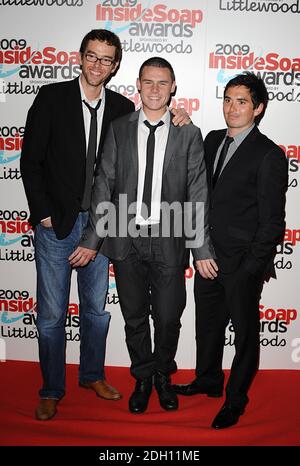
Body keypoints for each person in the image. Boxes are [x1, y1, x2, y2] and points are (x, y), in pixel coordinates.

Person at [20, 29, 190, 422]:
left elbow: (156, 131)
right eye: (92, 57)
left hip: (104, 224)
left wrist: (181, 116)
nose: (98, 65)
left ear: (115, 66)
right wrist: (42, 211)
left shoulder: (120, 107)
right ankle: (51, 389)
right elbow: (30, 161)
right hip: (56, 225)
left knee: (96, 310)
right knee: (50, 314)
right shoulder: (51, 97)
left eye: (107, 59)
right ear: (80, 58)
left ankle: (92, 375)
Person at [69, 57, 215, 414]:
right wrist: (92, 239)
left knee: (168, 316)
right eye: (148, 81)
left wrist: (201, 249)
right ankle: (143, 378)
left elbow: (197, 193)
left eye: (162, 83)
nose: (154, 89)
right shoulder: (119, 128)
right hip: (125, 238)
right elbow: (103, 184)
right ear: (137, 83)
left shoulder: (189, 133)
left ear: (173, 87)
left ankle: (163, 374)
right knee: (134, 316)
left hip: (170, 237)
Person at [173, 72, 288, 429]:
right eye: (228, 99)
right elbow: (197, 187)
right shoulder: (210, 140)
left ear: (258, 108)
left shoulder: (269, 154)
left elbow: (272, 221)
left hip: (241, 264)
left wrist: (252, 267)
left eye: (242, 101)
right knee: (207, 327)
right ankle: (208, 379)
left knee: (245, 335)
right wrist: (187, 125)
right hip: (206, 257)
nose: (232, 108)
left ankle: (236, 399)